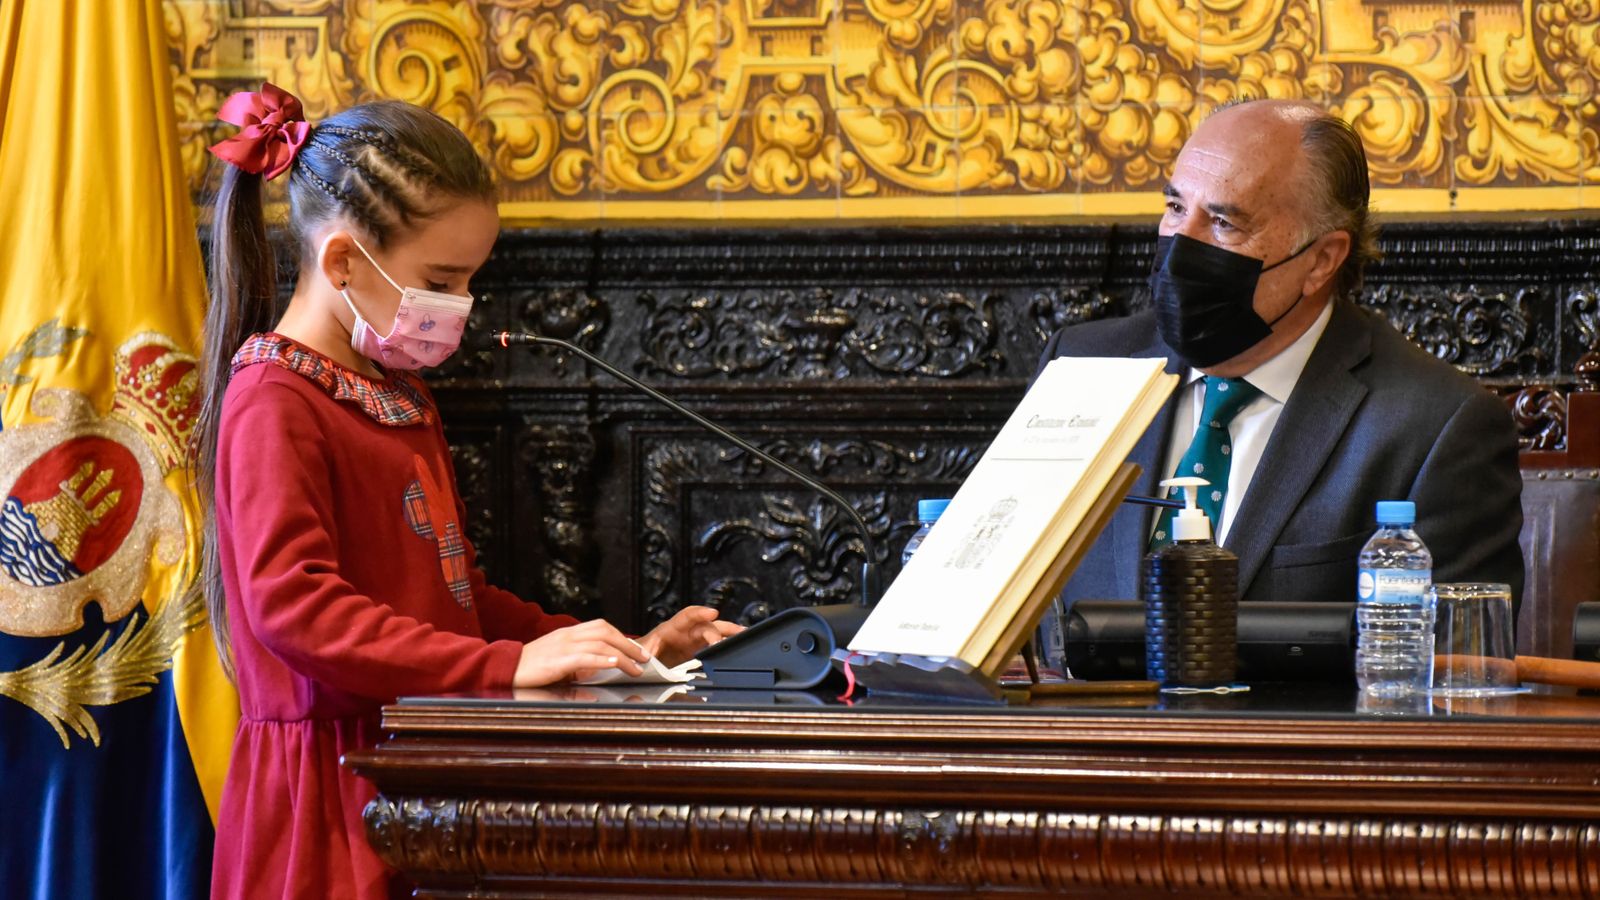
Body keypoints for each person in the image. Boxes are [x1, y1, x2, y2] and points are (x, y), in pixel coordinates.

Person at [193, 84, 740, 899]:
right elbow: (294, 607)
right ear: (343, 260)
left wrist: (613, 659)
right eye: (441, 279)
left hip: (420, 766)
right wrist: (509, 667)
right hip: (334, 799)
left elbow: (453, 598)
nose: (458, 308)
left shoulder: (397, 392)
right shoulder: (275, 399)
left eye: (468, 282)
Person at [1038, 99, 1524, 612]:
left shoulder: (1434, 427)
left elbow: (1458, 664)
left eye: (1223, 222)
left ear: (1321, 260)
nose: (1181, 246)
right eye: (1177, 208)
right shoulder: (1080, 367)